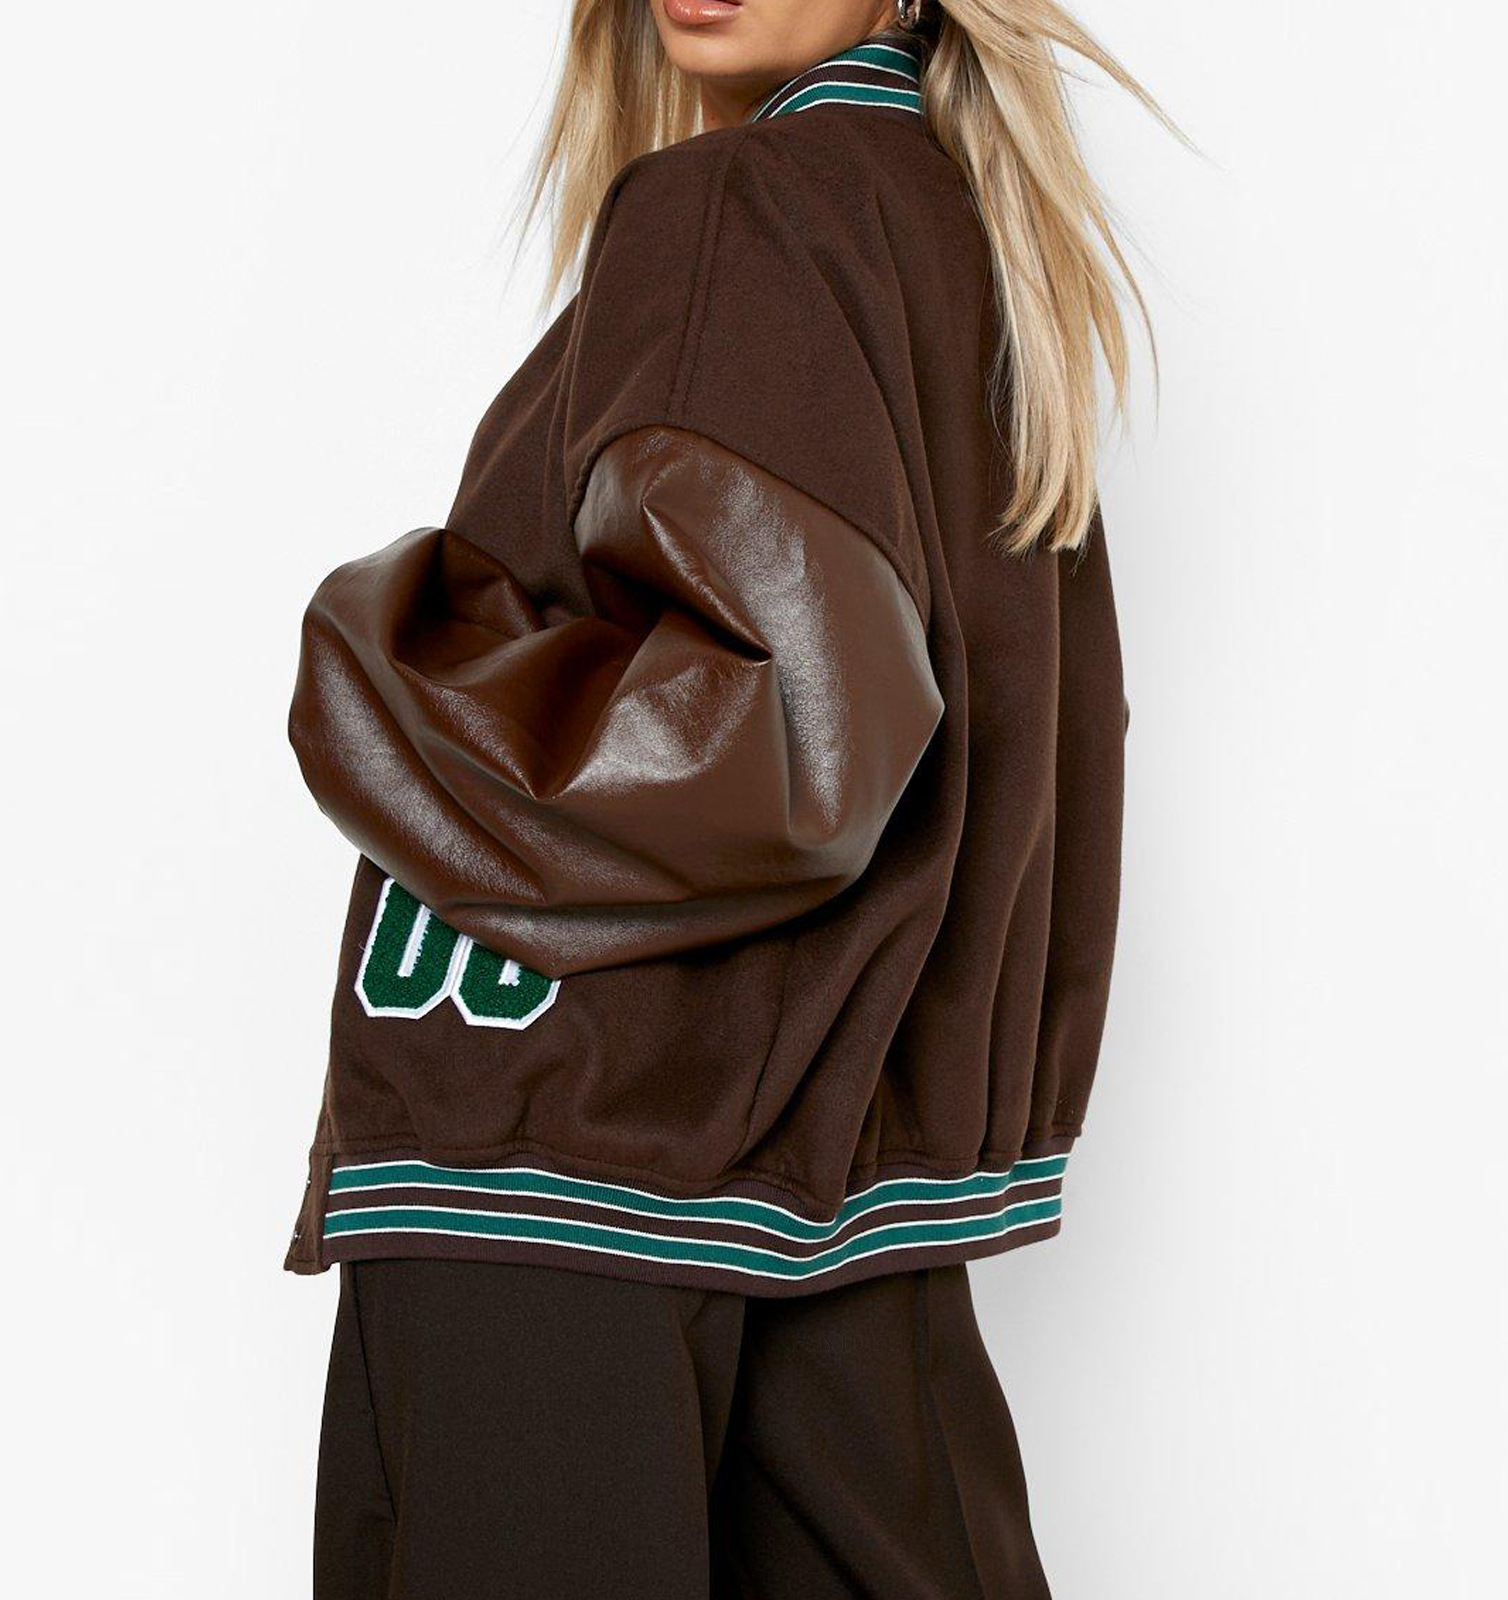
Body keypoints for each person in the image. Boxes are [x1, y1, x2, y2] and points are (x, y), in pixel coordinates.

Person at [288, 1, 1156, 1593]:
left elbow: (787, 737)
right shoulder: (959, 226)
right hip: (824, 1158)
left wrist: (381, 663)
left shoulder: (737, 203)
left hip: (560, 1148)